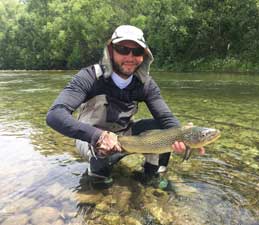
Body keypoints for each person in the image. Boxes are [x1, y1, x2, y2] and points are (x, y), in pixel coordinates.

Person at [46, 25, 204, 185]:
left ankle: (152, 176)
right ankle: (98, 178)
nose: (130, 57)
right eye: (122, 49)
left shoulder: (145, 84)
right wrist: (99, 136)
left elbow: (165, 117)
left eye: (137, 51)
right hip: (90, 137)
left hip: (126, 134)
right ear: (111, 50)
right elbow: (55, 115)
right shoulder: (89, 77)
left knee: (166, 129)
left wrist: (184, 136)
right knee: (100, 178)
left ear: (144, 55)